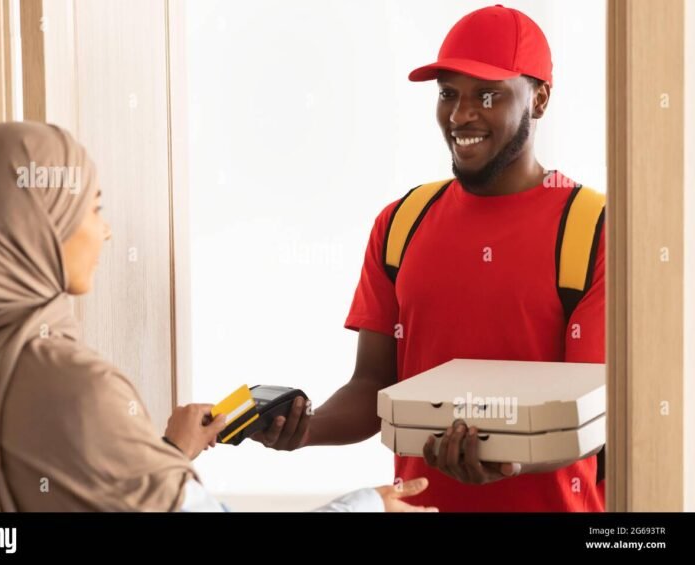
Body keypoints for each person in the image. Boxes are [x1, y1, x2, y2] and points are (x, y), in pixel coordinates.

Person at [0, 122, 436, 512]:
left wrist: (167, 452)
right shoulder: (71, 386)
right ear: (36, 225)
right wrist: (365, 505)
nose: (105, 233)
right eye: (92, 208)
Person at [252, 5, 606, 512]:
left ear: (540, 99)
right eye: (447, 94)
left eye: (487, 95)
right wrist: (305, 431)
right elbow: (373, 387)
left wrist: (507, 460)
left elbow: (592, 415)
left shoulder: (594, 230)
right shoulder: (401, 223)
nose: (461, 115)